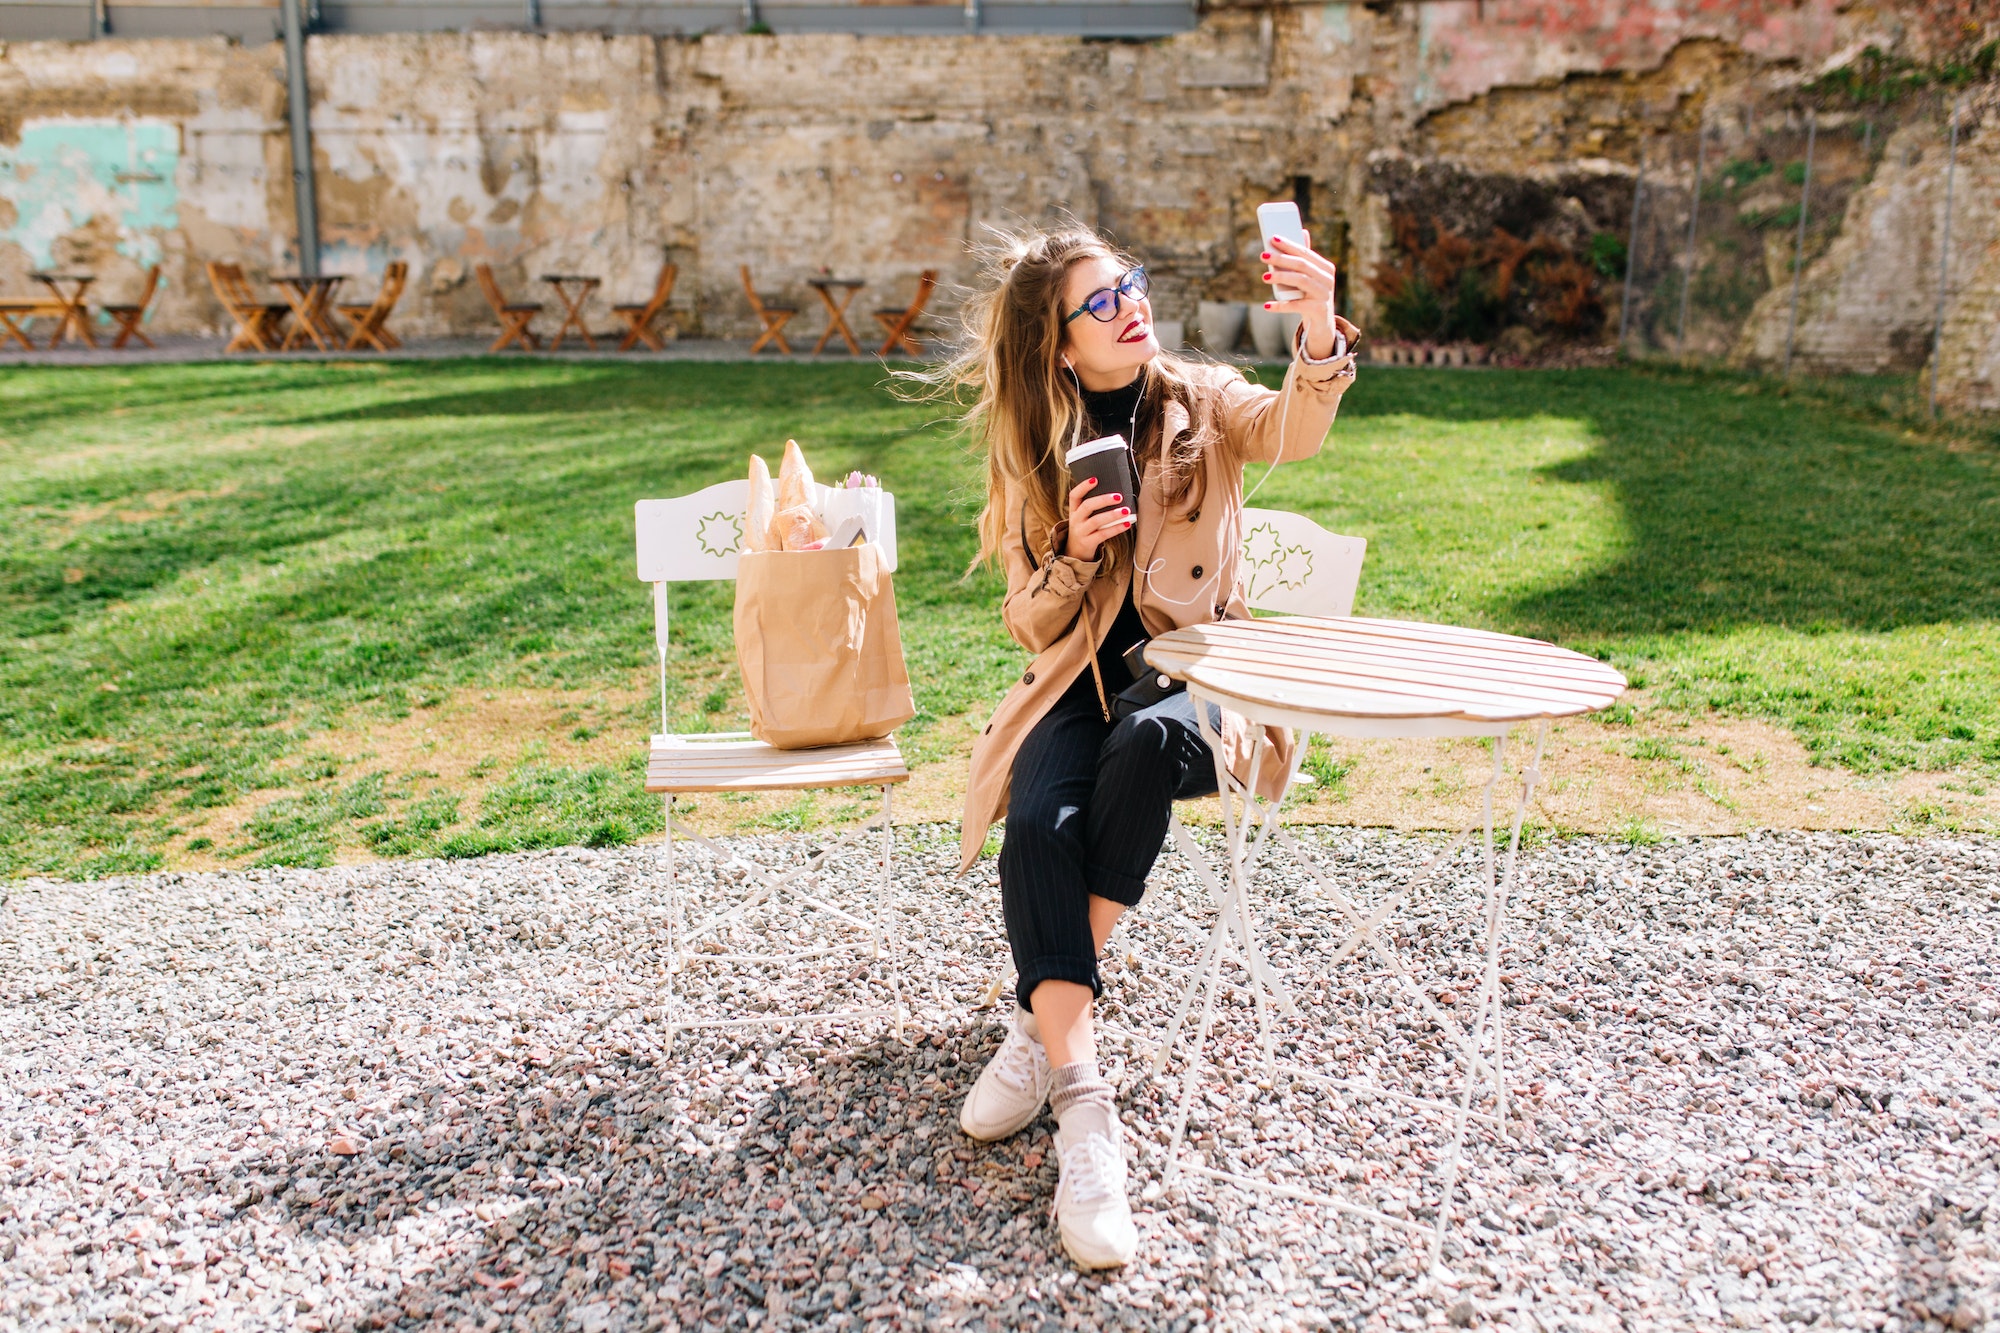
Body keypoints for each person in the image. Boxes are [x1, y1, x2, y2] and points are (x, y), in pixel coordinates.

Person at [935, 224, 1362, 1269]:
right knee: (1035, 822)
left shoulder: (1199, 399)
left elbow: (1290, 432)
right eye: (1098, 302)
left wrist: (1313, 330)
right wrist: (1076, 554)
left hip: (1206, 678)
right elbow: (1030, 624)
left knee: (1142, 750)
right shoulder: (1042, 444)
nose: (1128, 303)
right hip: (1080, 682)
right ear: (1061, 349)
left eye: (1125, 283)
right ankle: (1079, 1081)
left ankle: (1058, 1061)